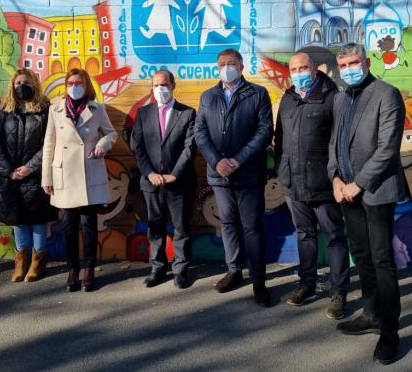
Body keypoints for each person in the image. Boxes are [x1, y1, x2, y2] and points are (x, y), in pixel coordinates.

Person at [327, 43, 405, 365]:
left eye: (354, 62)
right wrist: (334, 179)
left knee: (382, 260)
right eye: (343, 64)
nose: (349, 68)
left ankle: (390, 333)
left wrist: (358, 184)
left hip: (374, 191)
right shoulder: (340, 98)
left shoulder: (387, 94)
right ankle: (371, 313)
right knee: (361, 255)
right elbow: (334, 141)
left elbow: (387, 148)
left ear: (367, 61)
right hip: (346, 192)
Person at [194, 48, 274, 307]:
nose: (226, 67)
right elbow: (200, 132)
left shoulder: (258, 94)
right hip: (219, 175)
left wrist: (238, 160)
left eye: (231, 63)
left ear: (241, 66)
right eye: (221, 64)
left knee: (252, 227)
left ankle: (259, 280)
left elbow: (264, 131)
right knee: (227, 223)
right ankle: (234, 271)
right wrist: (218, 161)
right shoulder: (208, 97)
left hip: (248, 173)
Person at [274, 51, 350, 317]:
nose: (298, 73)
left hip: (324, 183)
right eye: (294, 69)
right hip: (294, 184)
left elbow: (339, 142)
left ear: (315, 69)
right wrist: (282, 173)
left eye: (303, 68)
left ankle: (339, 292)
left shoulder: (333, 98)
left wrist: (336, 176)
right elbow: (280, 138)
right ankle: (306, 284)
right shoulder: (288, 99)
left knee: (334, 238)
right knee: (304, 235)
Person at [42, 69, 118, 292]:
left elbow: (111, 134)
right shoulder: (55, 110)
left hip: (88, 172)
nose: (74, 86)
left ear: (86, 85)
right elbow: (49, 145)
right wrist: (47, 177)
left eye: (79, 82)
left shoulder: (97, 108)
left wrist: (102, 145)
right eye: (70, 82)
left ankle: (89, 269)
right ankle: (72, 269)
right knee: (67, 226)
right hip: (64, 174)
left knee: (89, 226)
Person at [130, 69, 197, 289]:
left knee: (181, 228)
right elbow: (137, 146)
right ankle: (157, 268)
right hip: (151, 183)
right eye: (156, 85)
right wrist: (149, 173)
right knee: (155, 228)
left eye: (164, 85)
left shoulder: (187, 113)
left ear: (173, 85)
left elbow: (190, 148)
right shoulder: (143, 113)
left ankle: (180, 269)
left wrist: (174, 174)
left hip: (178, 183)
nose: (160, 89)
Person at [0, 68, 57, 282]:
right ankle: (21, 261)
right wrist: (9, 170)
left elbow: (50, 142)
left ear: (35, 84)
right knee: (19, 220)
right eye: (18, 83)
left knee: (38, 219)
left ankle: (38, 261)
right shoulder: (5, 110)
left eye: (26, 82)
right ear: (12, 86)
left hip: (36, 175)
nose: (22, 87)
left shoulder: (45, 109)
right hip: (11, 176)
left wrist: (30, 167)